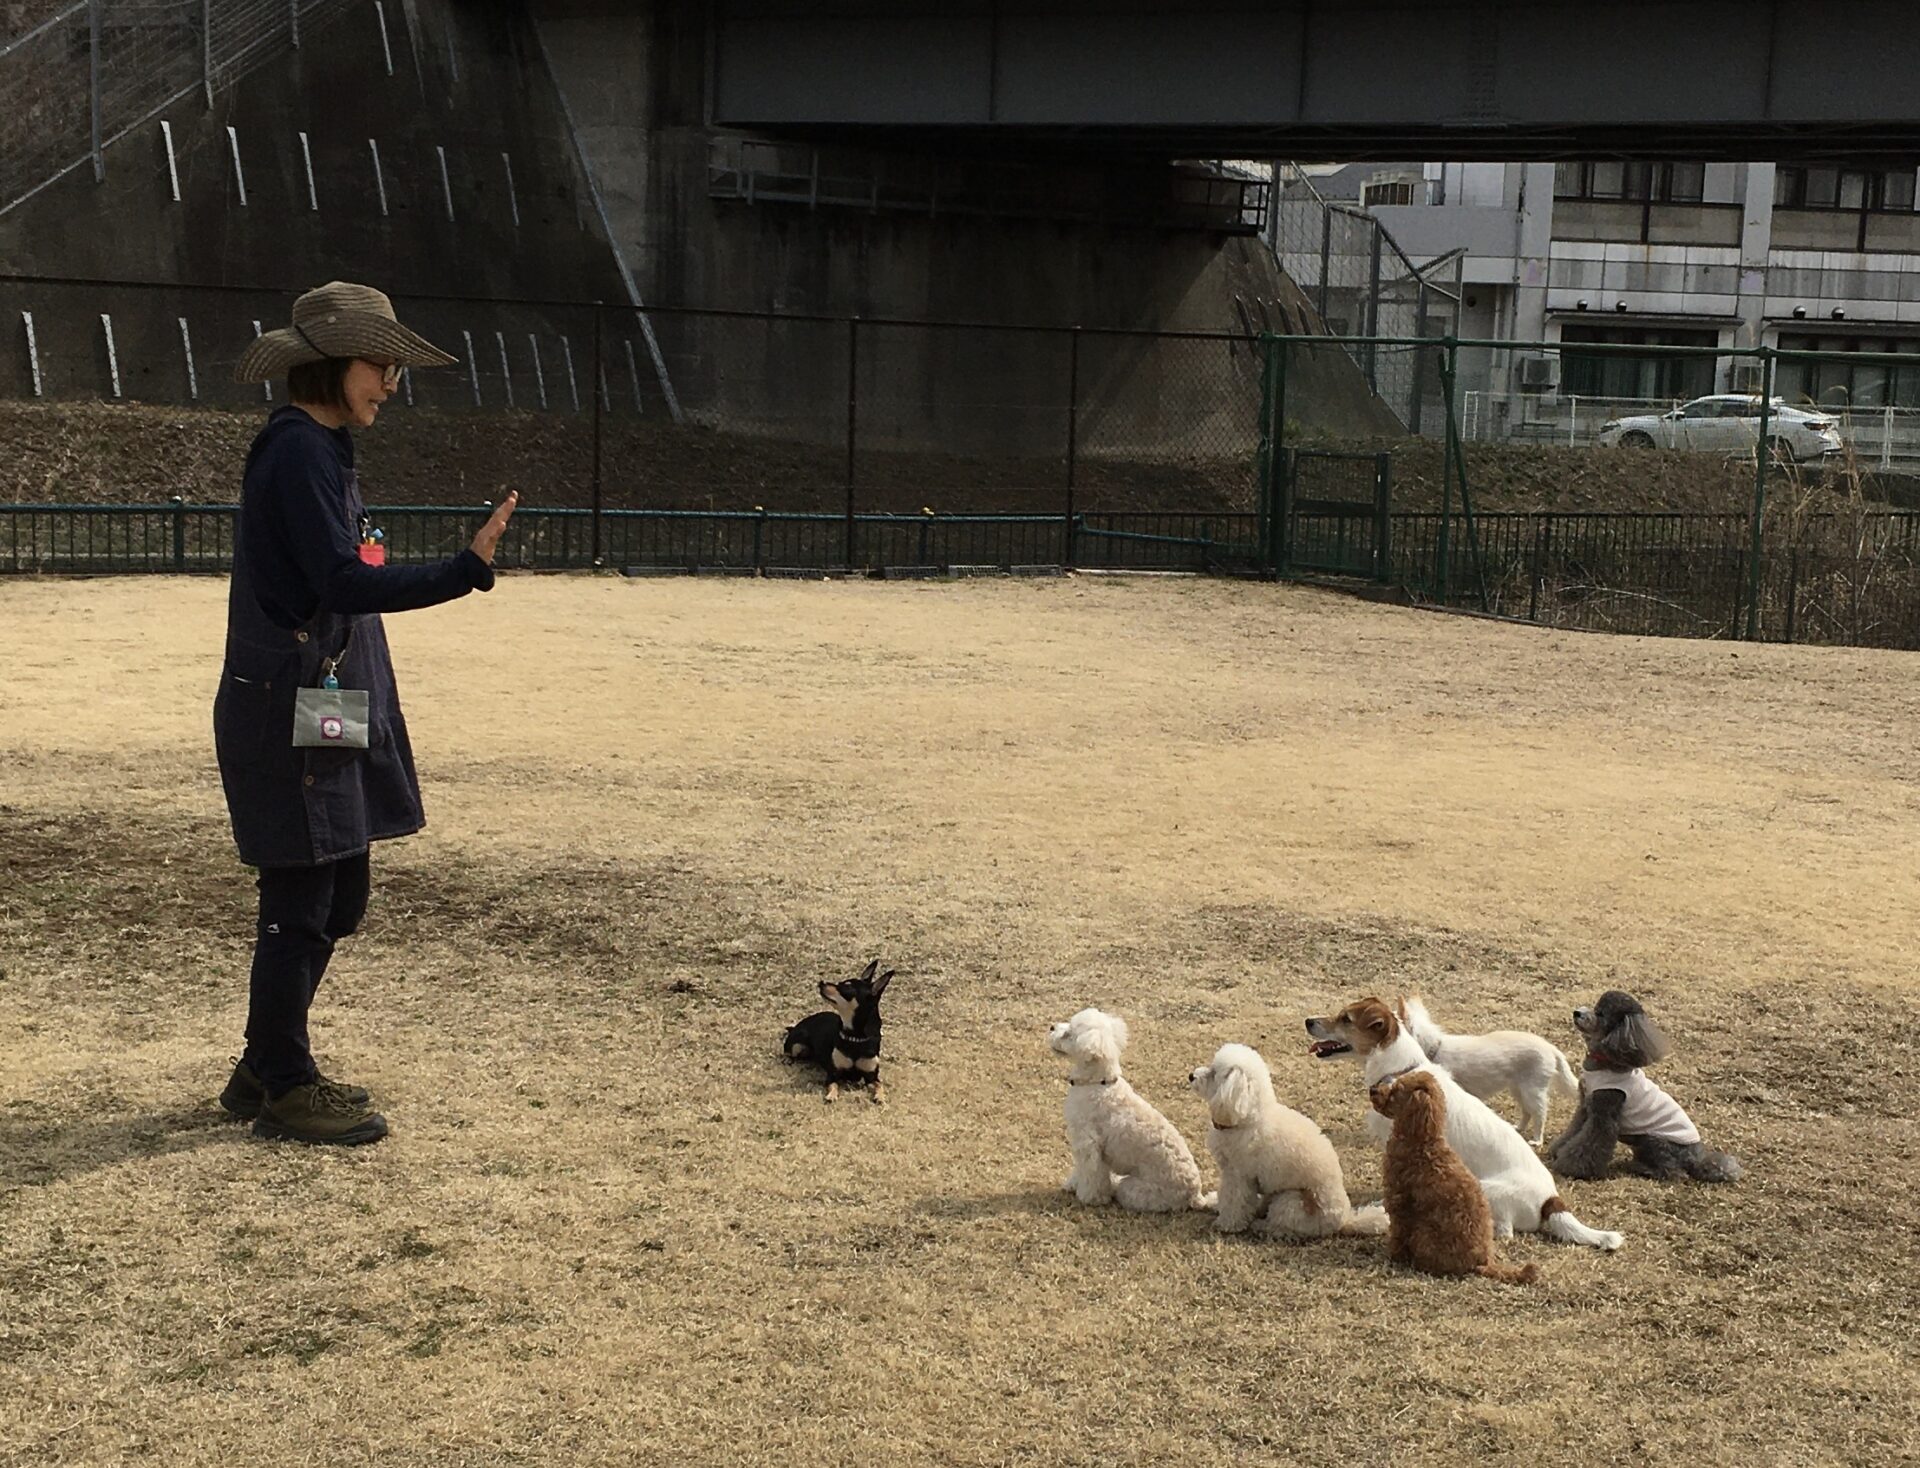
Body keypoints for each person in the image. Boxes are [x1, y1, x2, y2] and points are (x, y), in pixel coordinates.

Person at [212, 281, 517, 1145]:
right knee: (303, 893)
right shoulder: (297, 452)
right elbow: (341, 581)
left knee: (339, 890)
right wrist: (463, 570)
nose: (390, 382)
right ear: (333, 363)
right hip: (285, 705)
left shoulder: (323, 446)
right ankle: (284, 1084)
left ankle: (263, 1061)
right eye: (380, 364)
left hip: (321, 697)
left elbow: (343, 573)